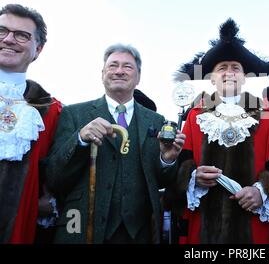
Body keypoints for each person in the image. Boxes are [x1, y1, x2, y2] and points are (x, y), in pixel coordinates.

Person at [46, 43, 185, 243]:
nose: (119, 71)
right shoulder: (74, 114)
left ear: (138, 77)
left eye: (127, 67)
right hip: (82, 227)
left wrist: (167, 160)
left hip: (139, 232)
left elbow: (163, 182)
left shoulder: (156, 120)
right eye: (113, 66)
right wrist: (80, 140)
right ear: (102, 73)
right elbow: (54, 177)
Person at [167, 18, 269, 243]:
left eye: (236, 68)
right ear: (211, 79)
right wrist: (193, 179)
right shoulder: (195, 115)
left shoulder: (266, 114)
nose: (229, 73)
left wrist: (261, 191)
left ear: (244, 78)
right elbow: (182, 165)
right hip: (205, 225)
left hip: (254, 224)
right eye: (222, 68)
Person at [0, 3, 62, 243]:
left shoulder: (51, 111)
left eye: (22, 35)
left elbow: (56, 173)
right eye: (2, 31)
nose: (8, 39)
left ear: (38, 49)